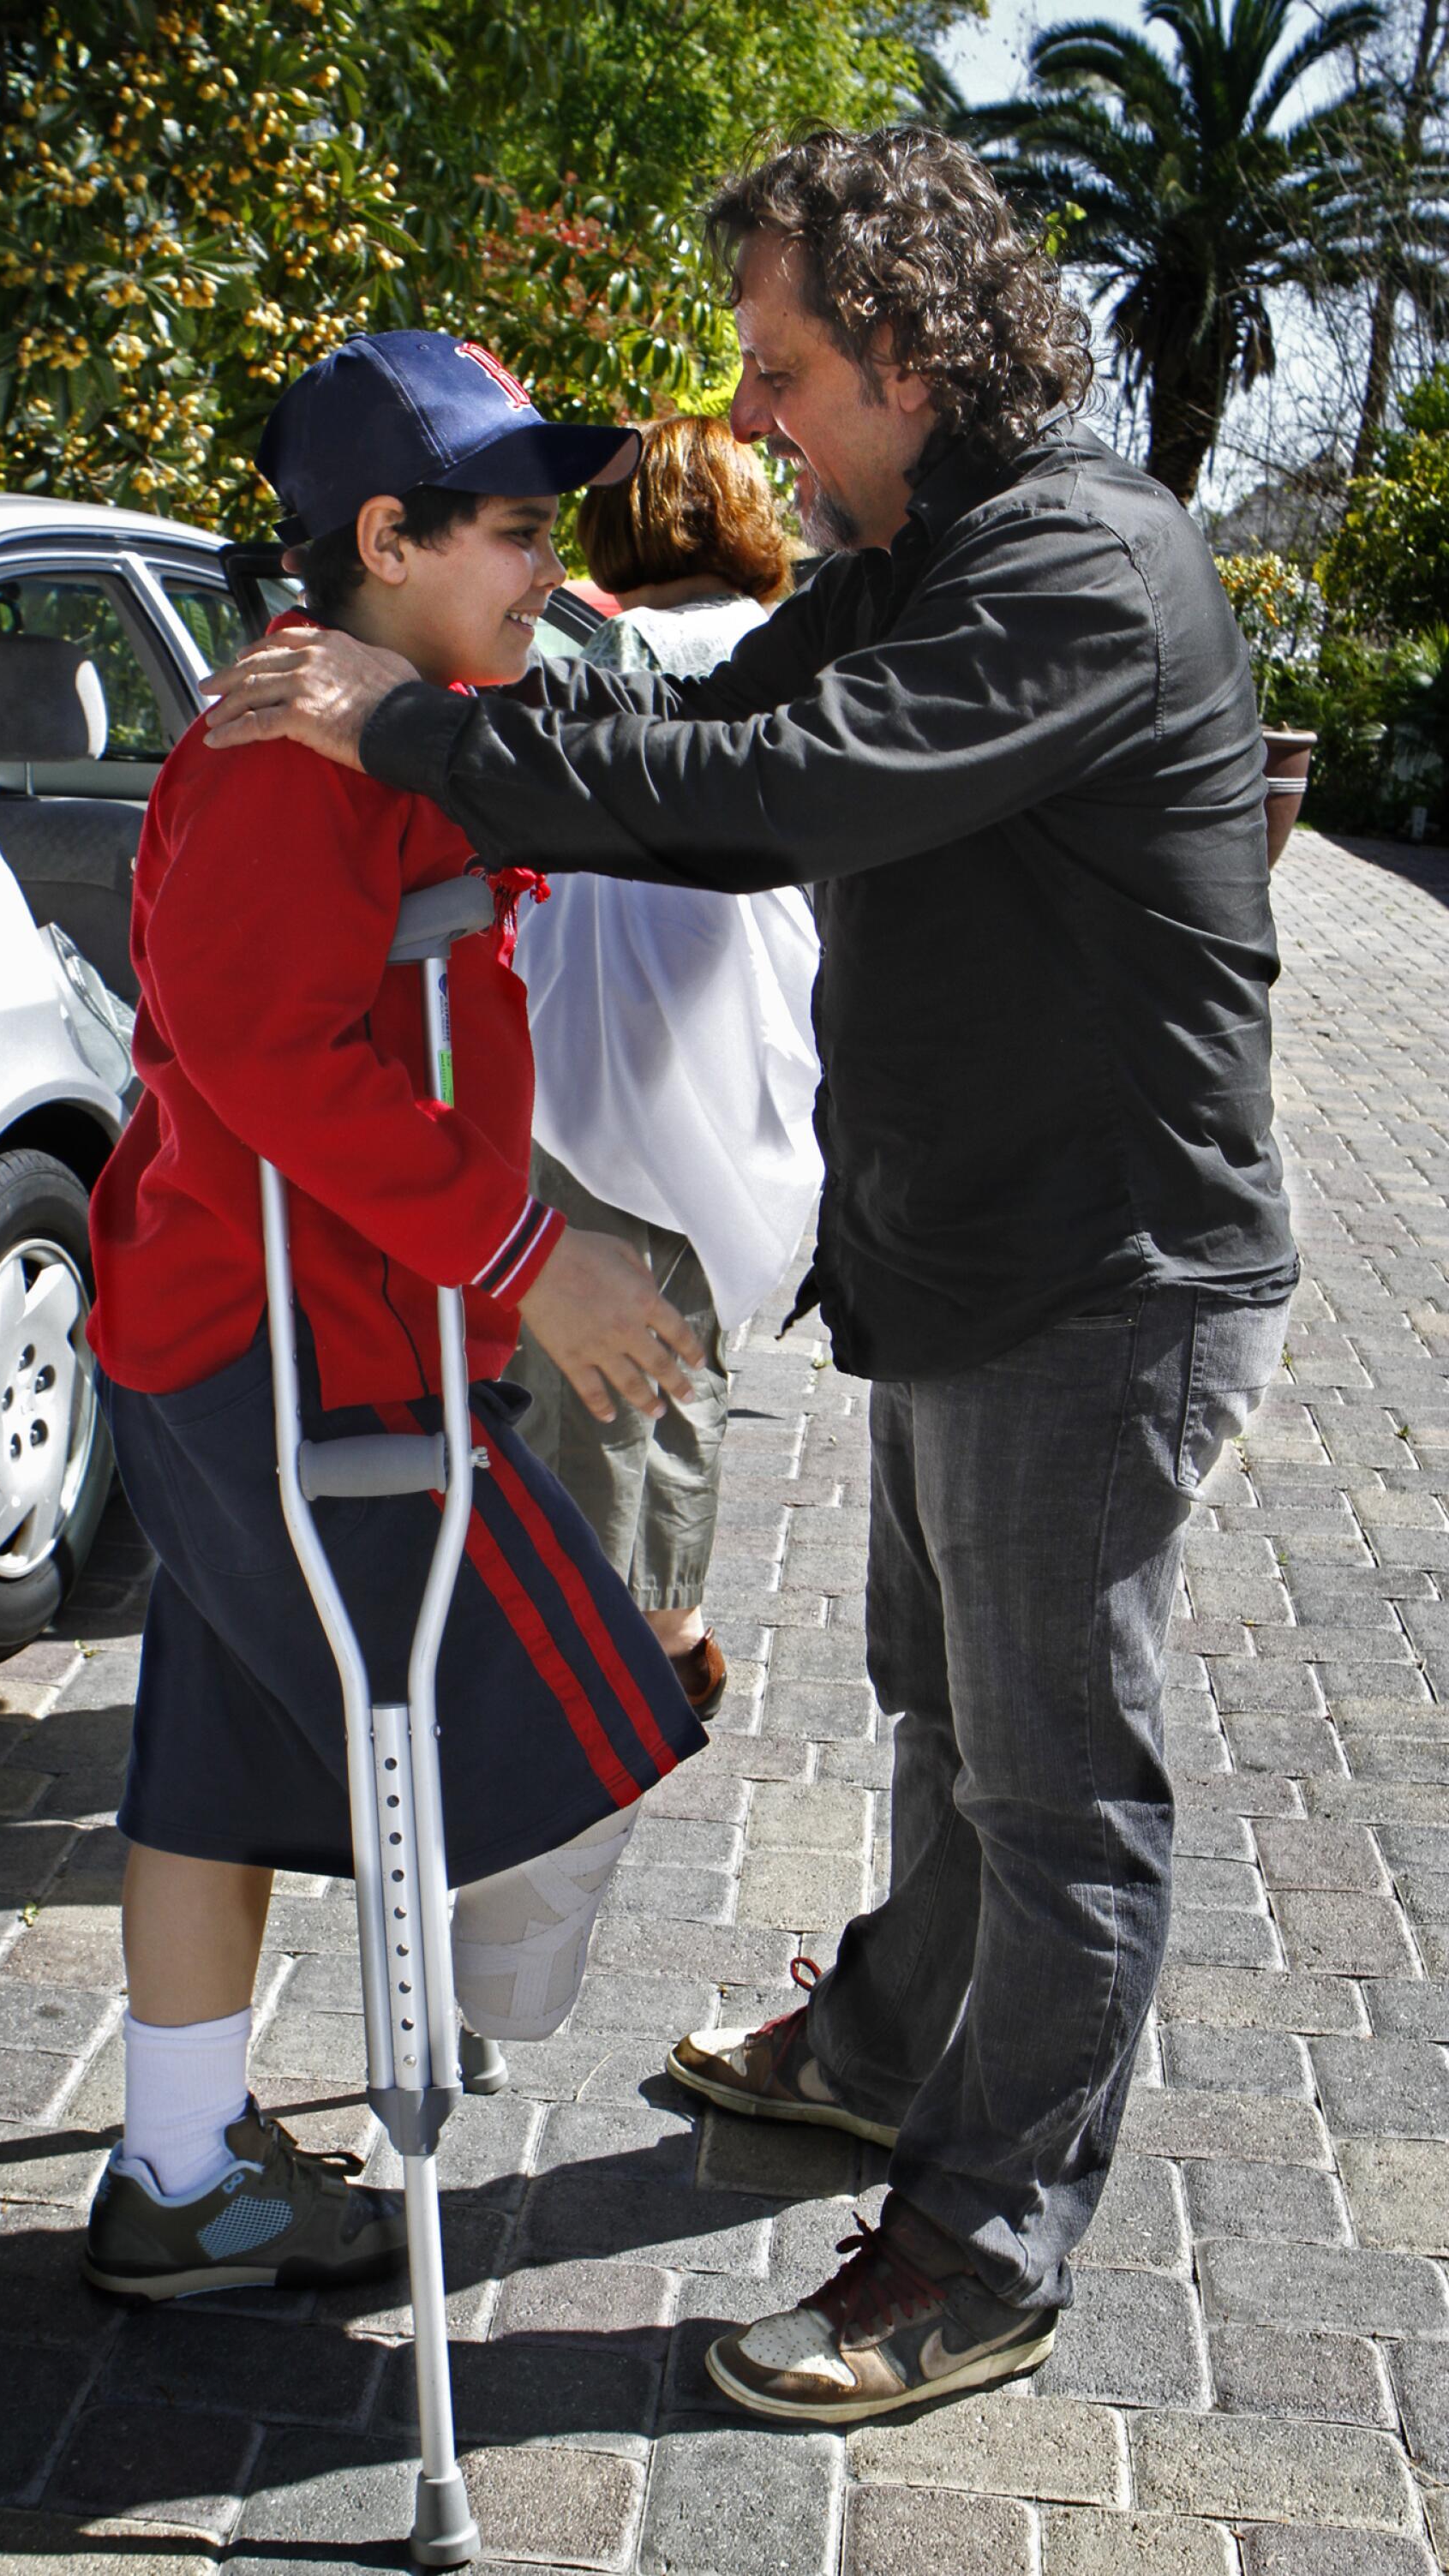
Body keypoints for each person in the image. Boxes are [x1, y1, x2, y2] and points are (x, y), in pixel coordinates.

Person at [196, 127, 1297, 2422]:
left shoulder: (1077, 571)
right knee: (941, 1693)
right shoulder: (918, 552)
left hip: (1106, 1269)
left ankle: (983, 2240)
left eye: (787, 368)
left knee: (1056, 1774)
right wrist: (442, 722)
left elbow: (783, 791)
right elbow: (684, 738)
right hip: (965, 1247)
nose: (762, 416)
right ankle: (887, 2039)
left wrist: (407, 724)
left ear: (908, 344)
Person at [80, 329, 710, 2306]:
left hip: (260, 1334)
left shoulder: (413, 718)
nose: (554, 568)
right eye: (519, 531)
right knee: (585, 1716)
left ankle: (178, 2167)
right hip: (304, 1356)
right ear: (386, 533)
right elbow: (270, 1059)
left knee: (223, 1747)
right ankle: (383, 2074)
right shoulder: (284, 762)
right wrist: (530, 1259)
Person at [509, 415, 822, 1717]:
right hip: (733, 1058)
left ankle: (595, 1662)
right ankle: (658, 1647)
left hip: (589, 1065)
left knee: (598, 1377)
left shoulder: (607, 651)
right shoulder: (786, 657)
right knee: (680, 1363)